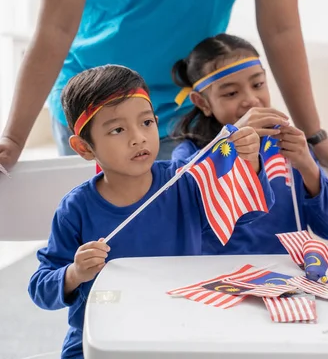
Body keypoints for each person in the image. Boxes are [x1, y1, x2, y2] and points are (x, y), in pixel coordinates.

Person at [0, 0, 328, 178]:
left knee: (182, 245)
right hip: (95, 104)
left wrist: (314, 137)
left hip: (188, 109)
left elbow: (281, 30)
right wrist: (13, 139)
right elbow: (54, 30)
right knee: (100, 241)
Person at [28, 65, 274, 359]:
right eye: (118, 130)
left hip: (181, 331)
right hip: (100, 340)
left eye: (146, 123)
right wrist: (74, 273)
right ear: (84, 147)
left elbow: (246, 212)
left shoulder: (184, 180)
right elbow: (41, 287)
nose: (138, 138)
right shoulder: (76, 209)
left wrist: (249, 163)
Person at [170, 33, 328, 254]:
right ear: (202, 103)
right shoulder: (191, 153)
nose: (251, 99)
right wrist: (232, 143)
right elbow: (183, 213)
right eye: (232, 93)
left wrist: (307, 166)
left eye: (258, 84)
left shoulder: (288, 144)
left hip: (287, 278)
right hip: (219, 280)